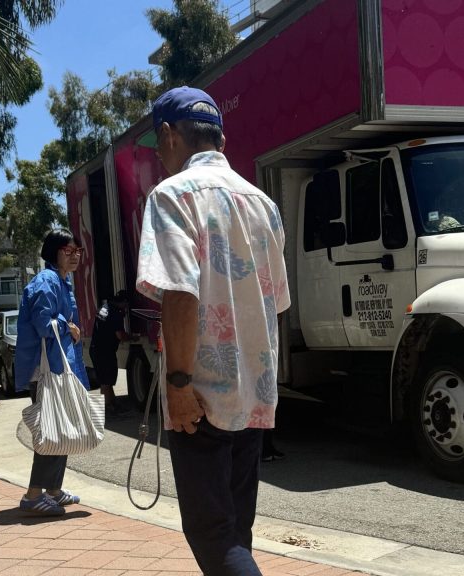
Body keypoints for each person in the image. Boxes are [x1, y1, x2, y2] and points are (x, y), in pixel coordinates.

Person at [136, 86, 291, 575]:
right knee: (236, 528)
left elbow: (180, 293)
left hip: (201, 394)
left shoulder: (172, 196)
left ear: (169, 135)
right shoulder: (263, 204)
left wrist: (179, 384)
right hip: (254, 392)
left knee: (212, 533)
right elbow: (275, 301)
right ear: (220, 139)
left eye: (158, 145)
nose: (159, 156)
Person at [13, 228, 90, 516]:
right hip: (45, 371)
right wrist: (69, 328)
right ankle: (33, 496)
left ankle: (53, 491)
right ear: (53, 252)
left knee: (61, 430)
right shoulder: (46, 281)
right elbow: (43, 324)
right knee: (51, 433)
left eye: (77, 251)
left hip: (58, 368)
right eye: (67, 251)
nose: (74, 256)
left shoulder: (61, 280)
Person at [89, 290, 135, 417]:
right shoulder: (115, 313)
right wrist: (132, 337)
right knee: (106, 380)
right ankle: (108, 408)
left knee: (106, 379)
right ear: (124, 302)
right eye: (126, 305)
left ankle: (113, 404)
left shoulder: (104, 308)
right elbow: (120, 335)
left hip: (97, 348)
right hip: (104, 350)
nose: (126, 307)